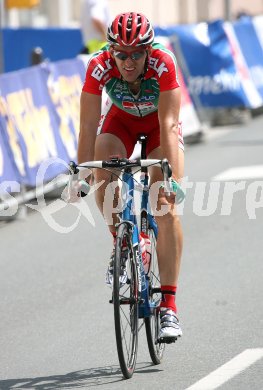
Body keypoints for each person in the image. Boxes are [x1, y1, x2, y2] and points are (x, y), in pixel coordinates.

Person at [78, 12, 184, 341]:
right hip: (120, 122)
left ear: (148, 51)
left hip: (157, 128)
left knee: (163, 205)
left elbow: (168, 125)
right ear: (110, 51)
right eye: (120, 54)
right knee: (102, 171)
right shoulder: (98, 67)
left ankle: (169, 305)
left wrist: (170, 179)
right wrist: (83, 175)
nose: (128, 61)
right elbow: (87, 126)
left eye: (136, 53)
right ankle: (119, 244)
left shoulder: (164, 63)